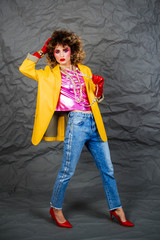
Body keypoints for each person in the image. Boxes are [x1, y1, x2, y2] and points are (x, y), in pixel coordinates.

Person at [19, 30, 134, 228]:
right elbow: (25, 68)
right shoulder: (48, 74)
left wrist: (99, 90)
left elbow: (93, 99)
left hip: (94, 124)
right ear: (52, 53)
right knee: (67, 171)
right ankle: (55, 208)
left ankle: (116, 208)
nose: (61, 55)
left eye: (65, 50)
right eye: (56, 51)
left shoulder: (85, 70)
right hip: (76, 123)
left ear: (72, 51)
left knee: (108, 169)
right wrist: (40, 50)